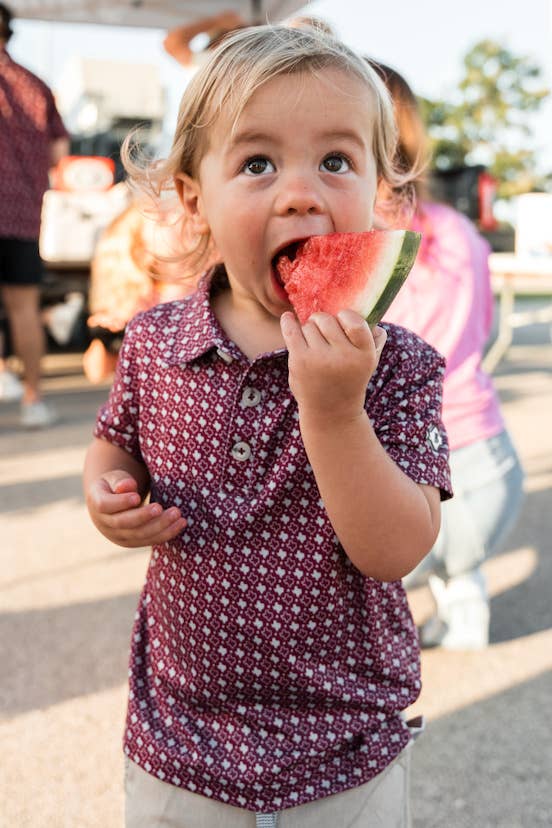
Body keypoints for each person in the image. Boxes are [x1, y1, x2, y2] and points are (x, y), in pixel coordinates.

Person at [83, 26, 452, 827]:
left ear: (381, 193)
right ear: (193, 200)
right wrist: (107, 493)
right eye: (257, 164)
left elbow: (397, 549)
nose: (299, 193)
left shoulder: (399, 366)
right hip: (181, 742)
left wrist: (336, 410)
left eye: (336, 161)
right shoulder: (155, 342)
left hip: (344, 753)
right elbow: (115, 442)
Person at [370, 61, 525, 650]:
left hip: (416, 480)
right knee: (459, 559)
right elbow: (481, 331)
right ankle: (463, 599)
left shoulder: (365, 238)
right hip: (492, 463)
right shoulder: (460, 229)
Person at [0, 2, 70, 426]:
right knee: (24, 307)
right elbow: (59, 152)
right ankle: (33, 400)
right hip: (23, 215)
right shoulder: (35, 84)